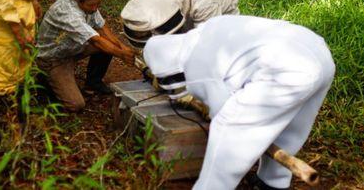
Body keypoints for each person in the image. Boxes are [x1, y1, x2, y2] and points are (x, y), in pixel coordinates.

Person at [143, 15, 335, 190]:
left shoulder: (194, 64)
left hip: (286, 68)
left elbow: (223, 109)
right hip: (319, 53)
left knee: (229, 130)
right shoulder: (210, 27)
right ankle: (272, 182)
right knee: (290, 128)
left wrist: (221, 122)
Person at [36, 0, 136, 111]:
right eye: (92, 5)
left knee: (107, 47)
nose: (95, 8)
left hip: (71, 48)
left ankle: (93, 83)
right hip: (54, 58)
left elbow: (101, 27)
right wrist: (121, 54)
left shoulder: (89, 3)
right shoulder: (69, 14)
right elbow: (96, 40)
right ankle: (45, 79)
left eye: (98, 4)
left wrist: (122, 47)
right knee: (76, 105)